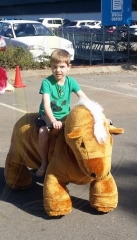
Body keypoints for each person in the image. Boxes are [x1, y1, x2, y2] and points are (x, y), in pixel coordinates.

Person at [35, 49, 89, 177]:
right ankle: (44, 162)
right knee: (43, 133)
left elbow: (84, 99)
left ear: (69, 67)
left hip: (65, 116)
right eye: (54, 66)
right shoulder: (47, 83)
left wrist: (98, 115)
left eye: (62, 67)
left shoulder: (71, 82)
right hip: (47, 116)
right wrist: (53, 121)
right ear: (51, 67)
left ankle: (79, 162)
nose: (58, 70)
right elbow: (47, 105)